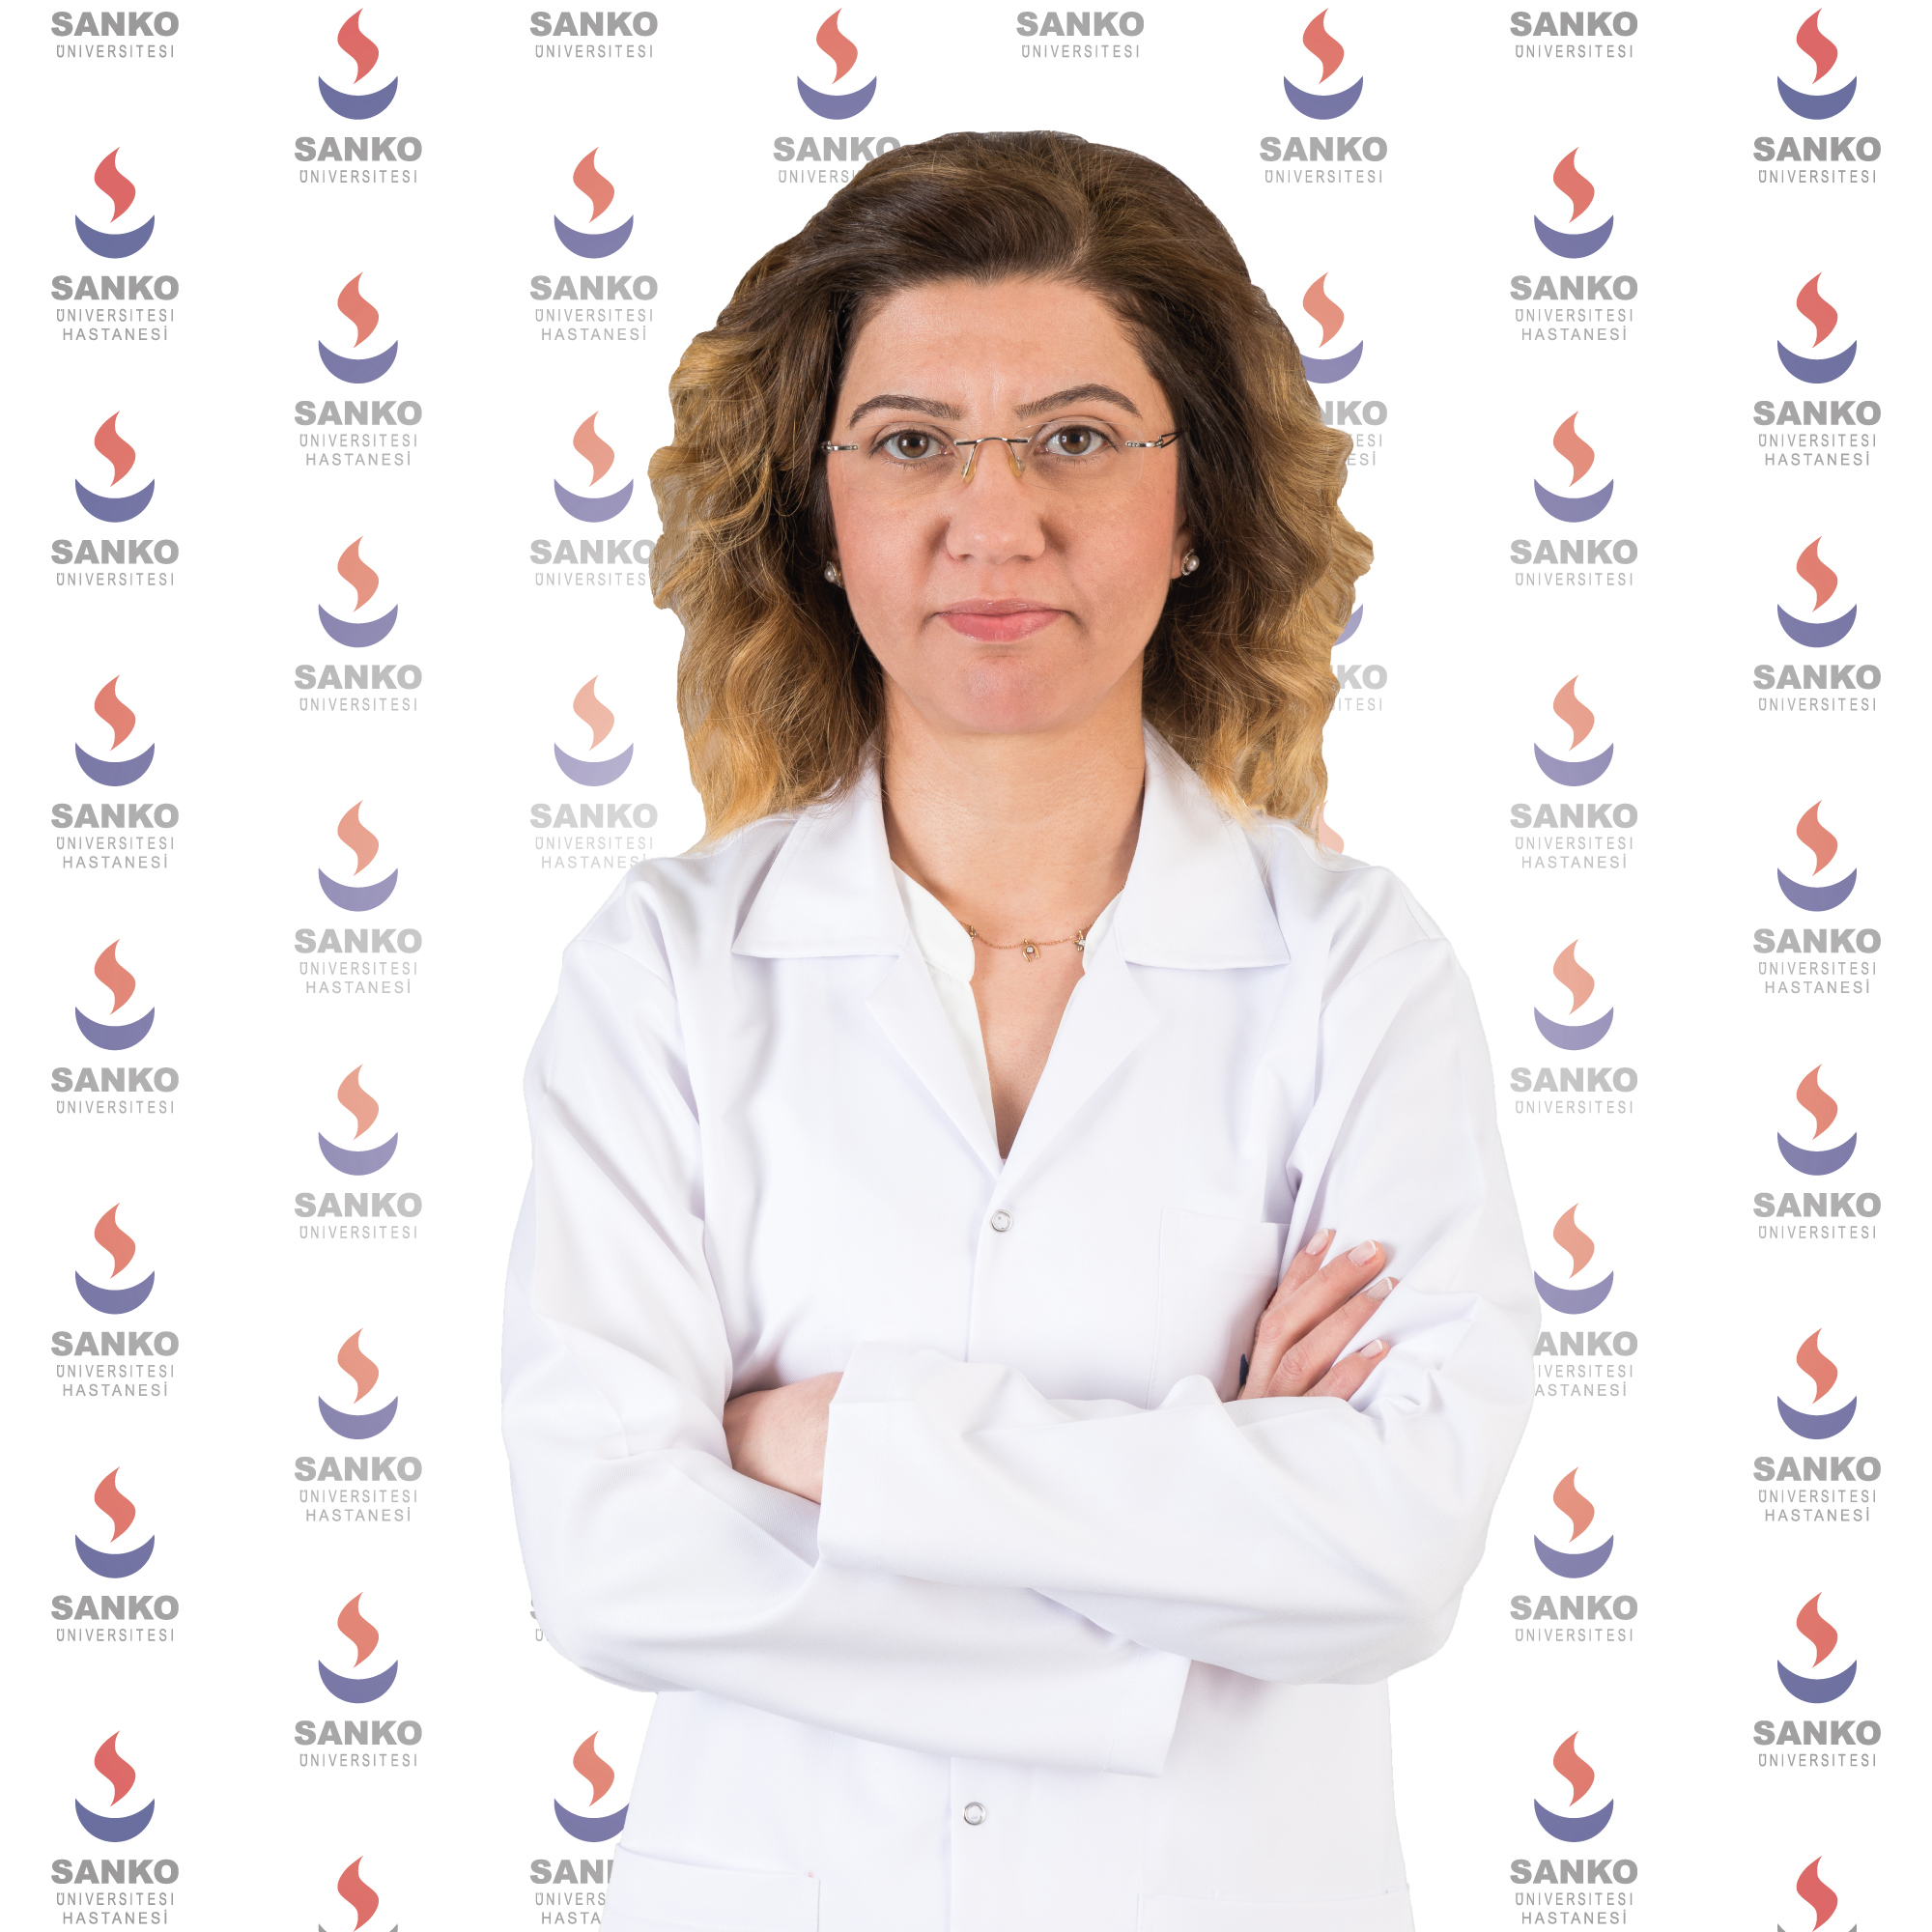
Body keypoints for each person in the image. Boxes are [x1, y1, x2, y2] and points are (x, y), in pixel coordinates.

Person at [502, 130, 1535, 1932]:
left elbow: (1390, 1555)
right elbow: (608, 1560)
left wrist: (847, 1449)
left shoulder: (1356, 970)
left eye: (1076, 437)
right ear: (820, 517)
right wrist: (1203, 1552)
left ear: (1196, 503)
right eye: (912, 443)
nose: (995, 522)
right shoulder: (665, 968)